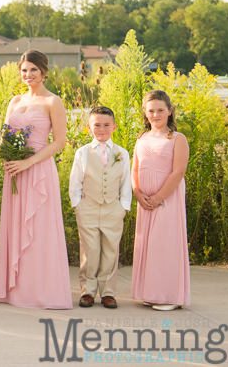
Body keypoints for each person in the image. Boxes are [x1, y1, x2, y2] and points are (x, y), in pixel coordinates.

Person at [0, 50, 72, 310]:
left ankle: (41, 290)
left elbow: (59, 142)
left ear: (44, 71)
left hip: (38, 171)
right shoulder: (15, 100)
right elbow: (6, 135)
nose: (28, 75)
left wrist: (28, 162)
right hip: (14, 171)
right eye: (24, 70)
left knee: (39, 230)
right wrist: (6, 157)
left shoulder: (53, 102)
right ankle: (17, 290)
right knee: (17, 226)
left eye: (33, 70)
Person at [131, 90, 191, 311]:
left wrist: (157, 198)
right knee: (148, 245)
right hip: (145, 202)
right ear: (145, 113)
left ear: (170, 111)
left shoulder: (177, 139)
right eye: (151, 111)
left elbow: (178, 172)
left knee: (165, 244)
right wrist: (138, 193)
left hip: (166, 199)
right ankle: (152, 292)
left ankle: (170, 296)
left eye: (160, 110)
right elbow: (134, 169)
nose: (155, 115)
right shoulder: (142, 138)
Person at [68, 106, 132, 309]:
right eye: (97, 125)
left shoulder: (122, 153)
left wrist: (123, 207)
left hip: (113, 208)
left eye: (106, 125)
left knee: (111, 251)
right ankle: (87, 291)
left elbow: (126, 183)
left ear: (114, 126)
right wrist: (77, 204)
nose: (102, 129)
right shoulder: (83, 153)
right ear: (89, 127)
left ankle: (108, 292)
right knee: (90, 250)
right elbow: (75, 181)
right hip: (88, 207)